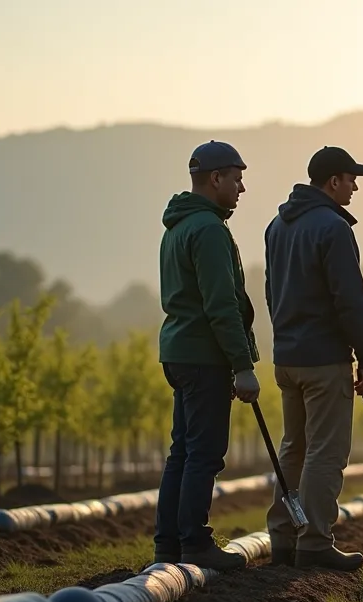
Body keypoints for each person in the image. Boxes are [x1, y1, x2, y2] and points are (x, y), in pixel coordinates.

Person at [263, 146, 363, 572]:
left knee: (294, 448)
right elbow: (349, 300)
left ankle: (283, 536)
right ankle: (314, 541)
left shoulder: (277, 226)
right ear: (333, 181)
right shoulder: (333, 228)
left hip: (286, 357)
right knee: (325, 452)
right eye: (351, 179)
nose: (354, 188)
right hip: (324, 358)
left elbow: (271, 291)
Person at [153, 140, 262, 571]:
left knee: (182, 452)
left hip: (178, 351)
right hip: (204, 355)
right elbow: (222, 305)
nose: (241, 188)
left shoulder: (177, 227)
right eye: (237, 179)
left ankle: (169, 545)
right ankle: (195, 543)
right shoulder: (210, 230)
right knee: (204, 453)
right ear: (215, 178)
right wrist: (243, 366)